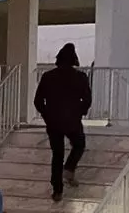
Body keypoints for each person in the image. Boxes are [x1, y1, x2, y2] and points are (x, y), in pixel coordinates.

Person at [34, 42, 93, 203]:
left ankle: (57, 190)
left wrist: (47, 116)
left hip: (53, 122)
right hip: (72, 120)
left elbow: (38, 101)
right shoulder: (80, 77)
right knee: (79, 144)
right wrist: (79, 112)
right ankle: (69, 168)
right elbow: (87, 99)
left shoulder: (48, 76)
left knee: (57, 155)